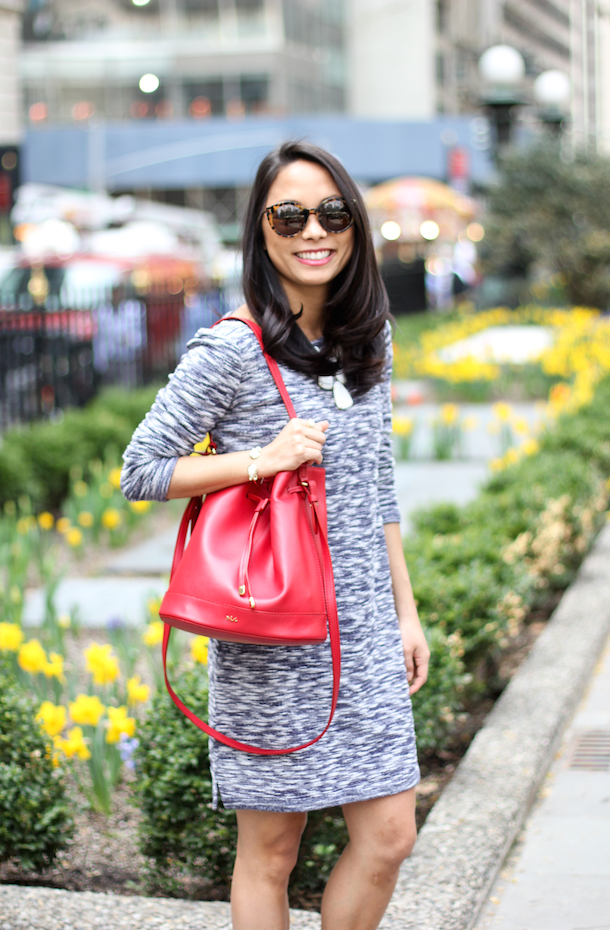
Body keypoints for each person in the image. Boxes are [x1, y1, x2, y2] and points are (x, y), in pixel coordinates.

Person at [121, 140, 430, 930]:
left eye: (330, 212)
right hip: (274, 631)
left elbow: (377, 480)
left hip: (363, 628)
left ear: (355, 225)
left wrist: (406, 610)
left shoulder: (371, 338)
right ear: (260, 232)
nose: (311, 230)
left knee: (390, 835)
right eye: (288, 215)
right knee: (271, 852)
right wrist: (257, 460)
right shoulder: (232, 348)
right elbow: (141, 469)